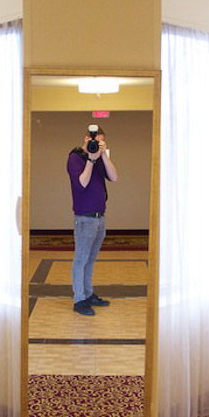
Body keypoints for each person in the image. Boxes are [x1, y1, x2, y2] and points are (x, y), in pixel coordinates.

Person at [66, 125, 119, 316]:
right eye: (94, 141)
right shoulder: (75, 158)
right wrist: (90, 158)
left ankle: (88, 294)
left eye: (100, 141)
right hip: (84, 218)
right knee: (81, 259)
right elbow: (82, 183)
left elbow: (114, 177)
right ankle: (79, 300)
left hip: (99, 217)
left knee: (90, 259)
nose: (96, 144)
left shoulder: (100, 159)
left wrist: (103, 155)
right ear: (86, 138)